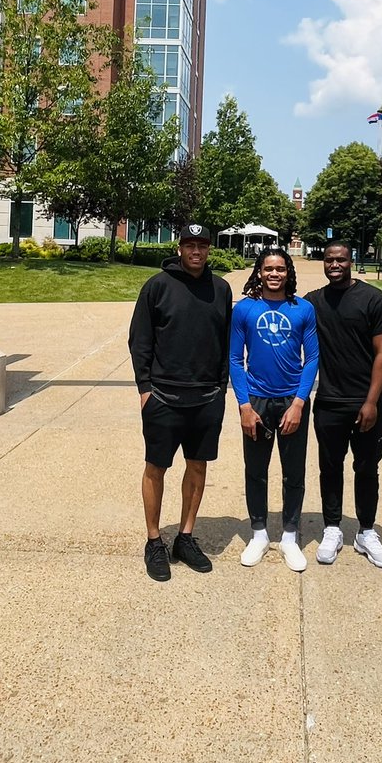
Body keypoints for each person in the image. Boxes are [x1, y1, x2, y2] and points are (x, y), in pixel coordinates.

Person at [128, 223, 232, 582]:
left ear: (209, 249)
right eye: (190, 245)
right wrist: (145, 389)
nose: (196, 252)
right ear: (180, 249)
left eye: (202, 245)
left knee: (198, 466)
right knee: (155, 468)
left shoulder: (221, 289)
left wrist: (221, 387)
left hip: (206, 397)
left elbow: (225, 340)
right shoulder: (157, 286)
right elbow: (139, 340)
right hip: (163, 396)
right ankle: (154, 540)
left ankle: (185, 537)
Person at [306, 240, 382, 568]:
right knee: (330, 468)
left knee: (367, 468)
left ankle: (366, 531)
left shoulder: (374, 299)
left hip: (366, 404)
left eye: (341, 259)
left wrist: (371, 401)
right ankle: (332, 528)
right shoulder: (314, 302)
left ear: (351, 261)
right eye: (329, 259)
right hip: (329, 402)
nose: (334, 265)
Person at [230, 248, 318, 572]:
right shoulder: (245, 309)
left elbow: (312, 358)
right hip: (256, 401)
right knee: (255, 470)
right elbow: (234, 359)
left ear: (288, 272)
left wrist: (299, 402)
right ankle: (259, 533)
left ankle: (290, 536)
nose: (274, 274)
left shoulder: (303, 309)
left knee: (293, 472)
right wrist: (243, 405)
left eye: (280, 268)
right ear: (259, 272)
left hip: (291, 400)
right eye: (268, 268)